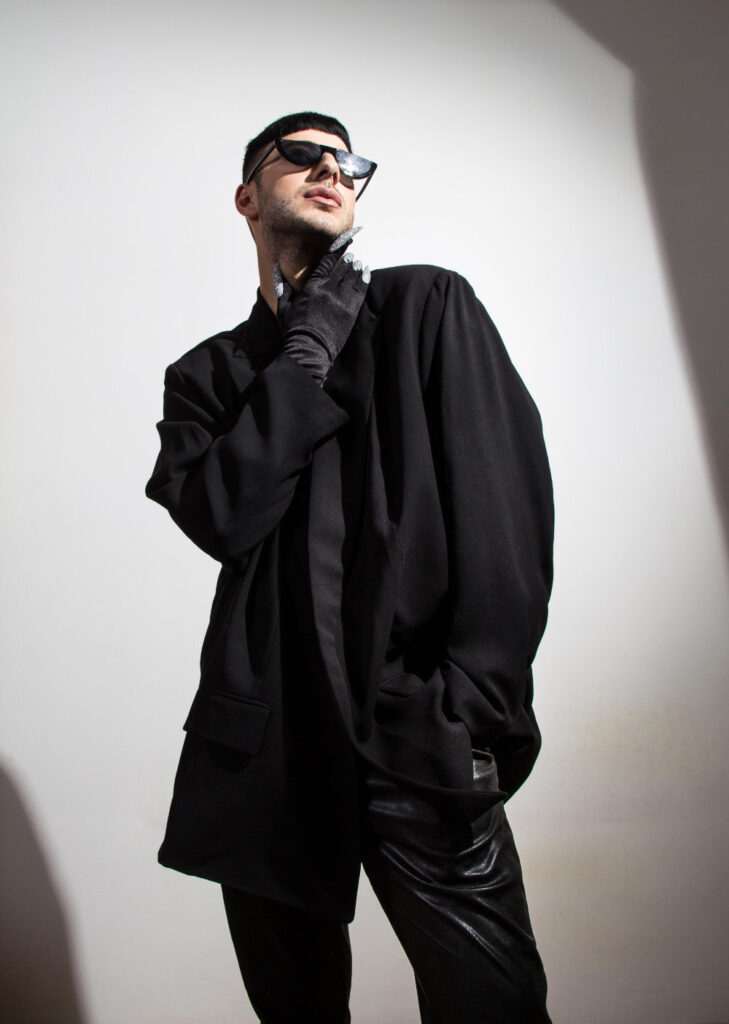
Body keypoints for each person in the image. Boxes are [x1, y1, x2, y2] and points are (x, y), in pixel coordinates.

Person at [146, 111, 555, 1024]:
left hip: (419, 730)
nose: (331, 170)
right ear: (247, 196)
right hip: (266, 748)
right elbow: (224, 518)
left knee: (492, 1003)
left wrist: (473, 712)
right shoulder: (206, 376)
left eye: (347, 161)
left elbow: (506, 514)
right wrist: (302, 358)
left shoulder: (426, 307)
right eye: (301, 156)